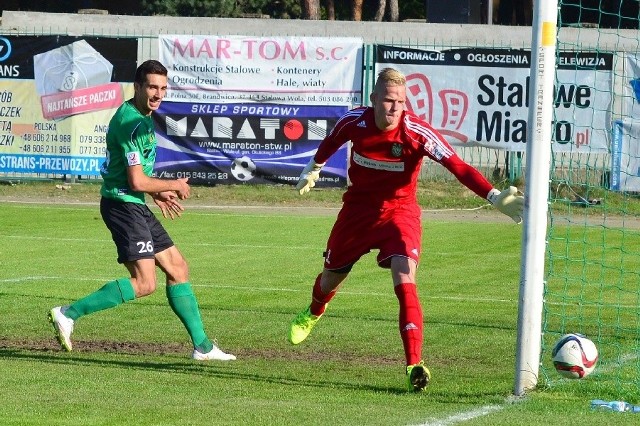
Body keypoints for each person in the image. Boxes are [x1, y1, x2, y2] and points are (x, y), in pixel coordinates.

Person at [288, 67, 523, 391]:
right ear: (373, 100)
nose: (394, 107)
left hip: (400, 213)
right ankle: (314, 312)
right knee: (331, 277)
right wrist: (313, 168)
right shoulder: (355, 121)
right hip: (358, 211)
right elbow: (331, 141)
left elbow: (458, 166)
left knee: (404, 274)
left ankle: (414, 363)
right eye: (387, 100)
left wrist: (494, 196)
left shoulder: (417, 132)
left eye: (399, 101)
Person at [48, 59, 235, 361]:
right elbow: (136, 180)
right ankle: (68, 313)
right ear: (137, 86)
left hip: (134, 203)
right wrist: (171, 184)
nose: (158, 93)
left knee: (178, 267)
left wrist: (157, 194)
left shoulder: (141, 116)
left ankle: (202, 346)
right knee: (146, 283)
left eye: (162, 88)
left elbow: (134, 175)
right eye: (151, 87)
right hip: (123, 206)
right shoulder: (132, 123)